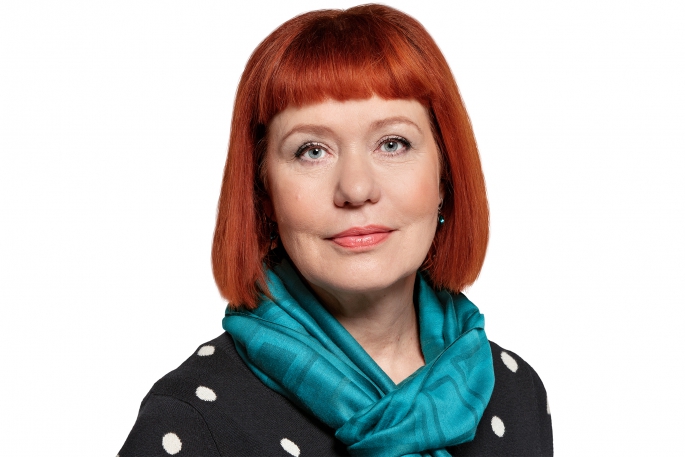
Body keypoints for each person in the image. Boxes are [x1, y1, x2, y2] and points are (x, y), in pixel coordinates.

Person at [119, 4, 553, 456]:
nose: (356, 189)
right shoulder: (192, 419)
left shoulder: (516, 393)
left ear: (445, 176)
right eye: (312, 151)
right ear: (264, 193)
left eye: (392, 143)